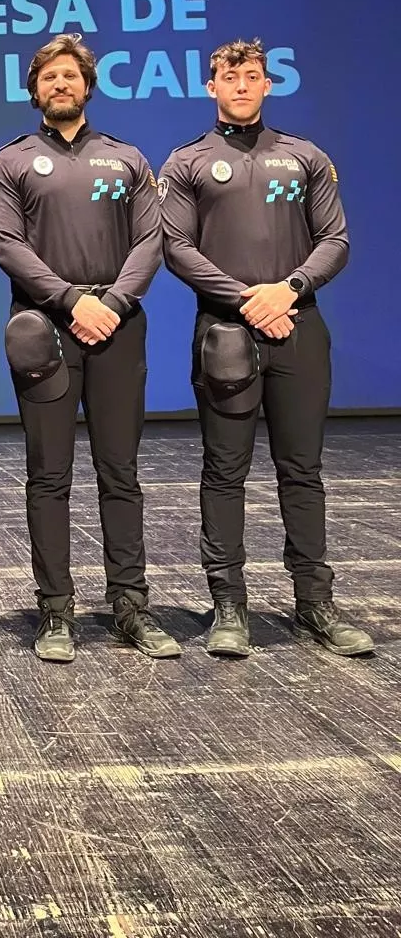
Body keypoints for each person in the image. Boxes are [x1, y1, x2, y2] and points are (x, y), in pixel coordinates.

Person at [159, 37, 372, 658]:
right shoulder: (186, 163)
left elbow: (334, 239)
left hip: (300, 330)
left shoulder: (305, 157)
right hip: (225, 334)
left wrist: (289, 290)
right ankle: (228, 605)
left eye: (252, 76)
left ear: (267, 83)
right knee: (224, 471)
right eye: (230, 78)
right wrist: (250, 300)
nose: (242, 86)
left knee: (302, 470)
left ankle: (315, 602)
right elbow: (177, 247)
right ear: (212, 86)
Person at [0, 35, 176, 663]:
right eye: (48, 78)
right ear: (34, 89)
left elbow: (151, 240)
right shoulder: (11, 162)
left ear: (87, 86)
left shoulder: (126, 158)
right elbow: (9, 246)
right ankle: (56, 611)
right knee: (49, 476)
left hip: (118, 327)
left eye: (70, 76)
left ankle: (130, 605)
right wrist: (72, 301)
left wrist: (112, 304)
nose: (59, 85)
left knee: (120, 473)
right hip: (45, 329)